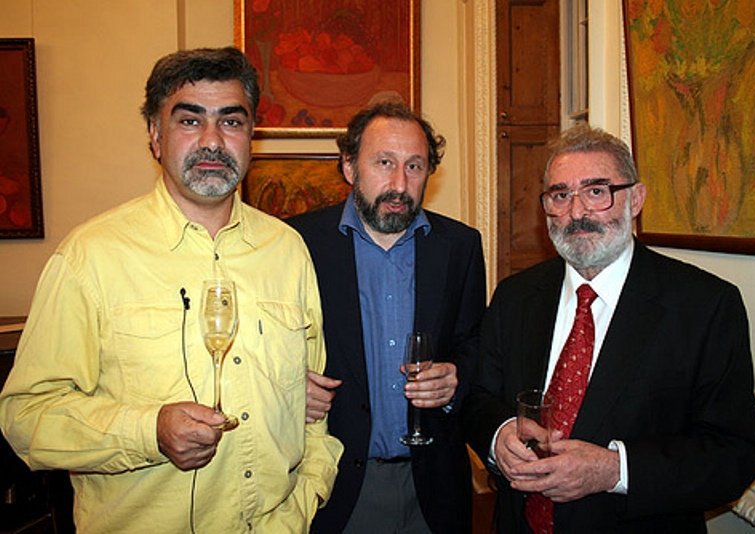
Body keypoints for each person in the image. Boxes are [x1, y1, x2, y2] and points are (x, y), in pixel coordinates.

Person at [0, 47, 343, 533]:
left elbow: (313, 407)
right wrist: (150, 431)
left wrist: (305, 498)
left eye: (231, 122)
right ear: (155, 136)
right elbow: (26, 416)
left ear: (252, 136)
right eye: (189, 121)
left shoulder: (287, 251)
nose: (212, 141)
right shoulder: (90, 256)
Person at [463, 123, 755, 533]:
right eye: (560, 195)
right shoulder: (514, 296)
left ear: (635, 199)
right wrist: (499, 435)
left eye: (596, 191)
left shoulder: (704, 306)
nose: (576, 212)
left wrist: (615, 470)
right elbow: (478, 398)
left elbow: (735, 454)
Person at [287, 102, 486, 533]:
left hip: (435, 488)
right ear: (349, 167)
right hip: (336, 487)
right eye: (384, 163)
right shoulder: (297, 243)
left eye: (414, 166)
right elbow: (261, 347)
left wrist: (456, 376)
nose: (400, 184)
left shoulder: (460, 246)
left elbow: (475, 344)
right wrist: (286, 388)